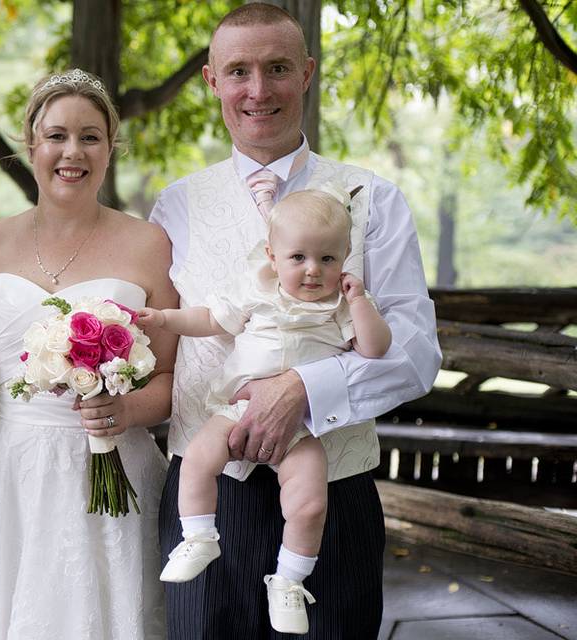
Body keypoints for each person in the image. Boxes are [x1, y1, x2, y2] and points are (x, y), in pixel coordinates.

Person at [150, 4, 441, 638]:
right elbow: (161, 340)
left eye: (278, 68)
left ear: (306, 73)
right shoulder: (174, 206)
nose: (258, 90)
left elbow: (417, 352)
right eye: (238, 72)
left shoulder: (375, 199)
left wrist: (306, 391)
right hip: (206, 494)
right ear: (211, 80)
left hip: (331, 490)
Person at [0, 68, 178, 640]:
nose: (71, 152)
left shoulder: (149, 245)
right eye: (56, 135)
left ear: (111, 148)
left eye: (90, 136)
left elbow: (175, 376)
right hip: (2, 473)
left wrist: (126, 411)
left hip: (108, 471)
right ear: (30, 145)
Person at [139, 187, 392, 634]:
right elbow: (211, 320)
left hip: (305, 428)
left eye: (328, 259)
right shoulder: (258, 290)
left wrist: (359, 301)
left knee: (311, 504)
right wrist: (164, 319)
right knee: (198, 461)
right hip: (236, 409)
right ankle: (199, 536)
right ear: (273, 257)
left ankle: (290, 581)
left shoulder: (341, 307)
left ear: (346, 257)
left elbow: (375, 348)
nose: (313, 270)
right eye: (299, 258)